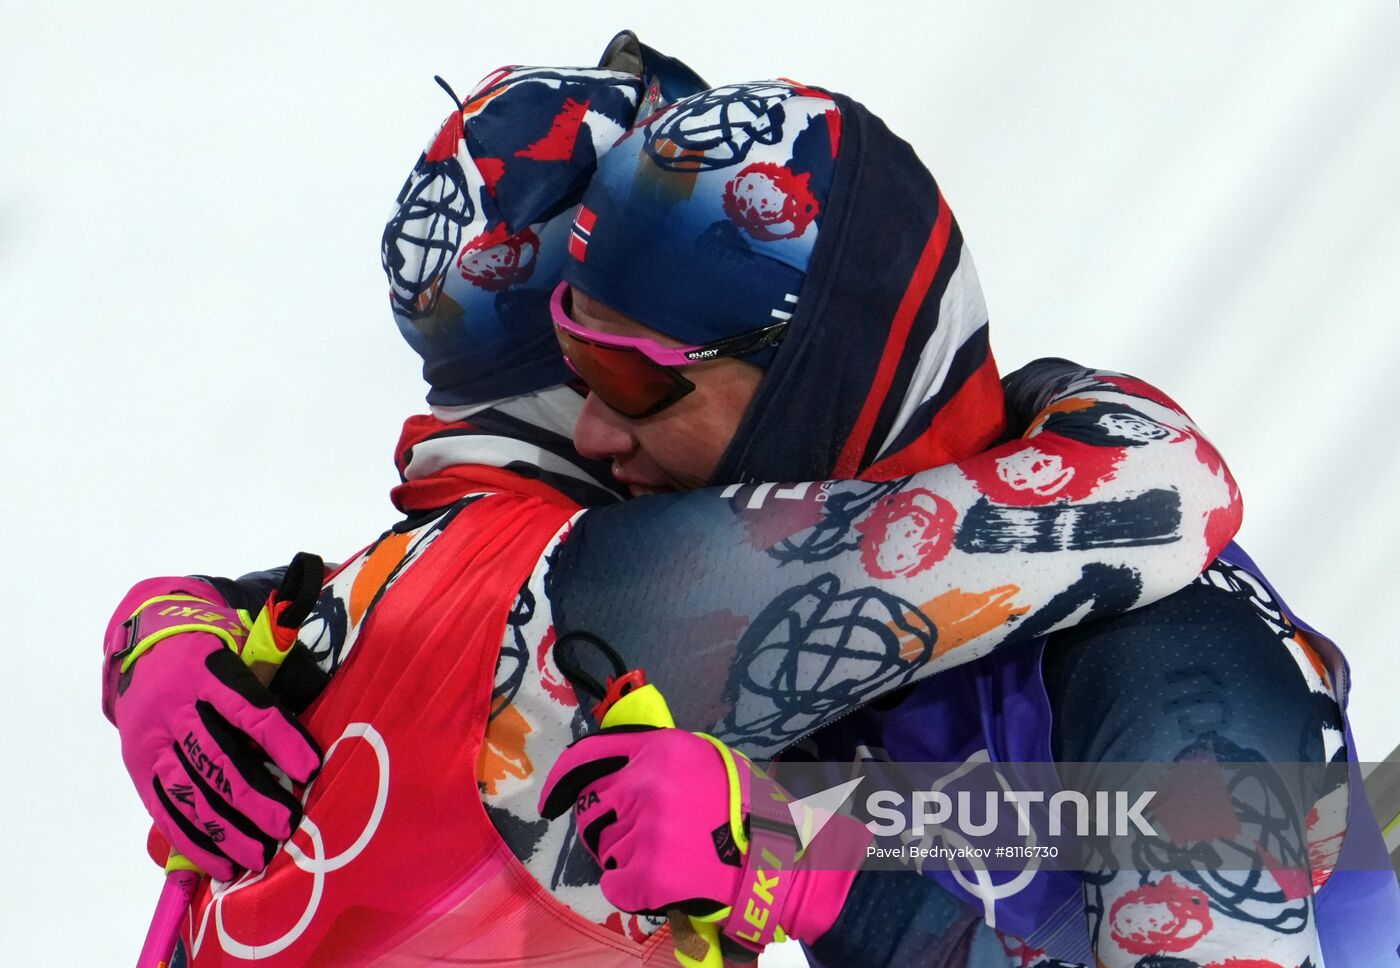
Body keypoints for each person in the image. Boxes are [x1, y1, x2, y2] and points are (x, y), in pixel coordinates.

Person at [101, 51, 1369, 967]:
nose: (605, 428)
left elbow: (1227, 824)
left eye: (638, 377)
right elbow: (1159, 492)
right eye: (589, 368)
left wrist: (821, 861)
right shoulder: (628, 581)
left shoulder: (1161, 655)